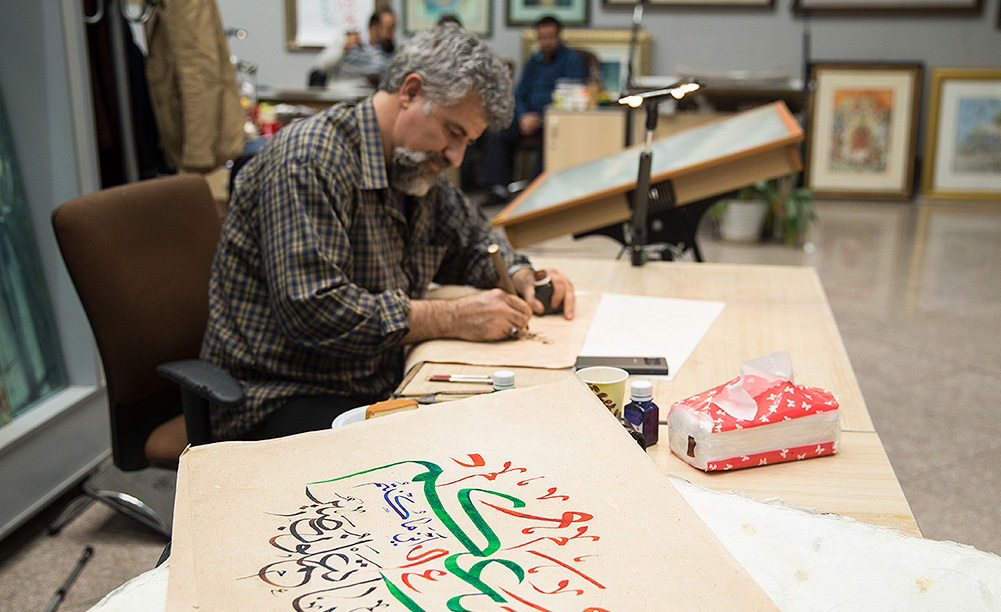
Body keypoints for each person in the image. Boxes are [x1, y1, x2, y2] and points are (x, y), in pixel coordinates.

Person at [203, 23, 575, 442]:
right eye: (453, 132)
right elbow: (314, 313)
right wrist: (453, 317)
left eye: (468, 142)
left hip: (372, 380)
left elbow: (473, 243)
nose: (456, 157)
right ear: (411, 92)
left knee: (510, 424)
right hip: (281, 396)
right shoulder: (308, 161)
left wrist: (521, 275)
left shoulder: (412, 164)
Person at [480, 15, 587, 204]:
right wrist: (523, 116)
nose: (545, 42)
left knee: (552, 135)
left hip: (553, 119)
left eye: (550, 37)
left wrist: (541, 118)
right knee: (499, 129)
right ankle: (498, 188)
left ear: (559, 36)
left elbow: (572, 96)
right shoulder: (533, 62)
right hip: (528, 116)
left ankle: (535, 190)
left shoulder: (572, 60)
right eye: (542, 37)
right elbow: (519, 94)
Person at [311, 7, 398, 87]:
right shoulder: (347, 39)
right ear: (375, 27)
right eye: (389, 29)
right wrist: (343, 48)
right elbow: (322, 66)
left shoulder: (388, 48)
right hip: (343, 93)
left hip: (371, 94)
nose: (393, 35)